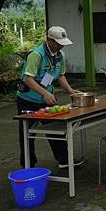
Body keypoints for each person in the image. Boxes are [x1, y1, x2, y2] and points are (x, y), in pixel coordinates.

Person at [16, 26, 83, 169]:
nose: (61, 46)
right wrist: (45, 93)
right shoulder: (36, 55)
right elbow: (28, 79)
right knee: (27, 132)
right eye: (58, 43)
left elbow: (60, 75)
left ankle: (64, 159)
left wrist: (70, 90)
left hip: (48, 98)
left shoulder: (60, 55)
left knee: (57, 127)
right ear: (49, 40)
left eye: (62, 43)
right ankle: (28, 165)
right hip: (28, 99)